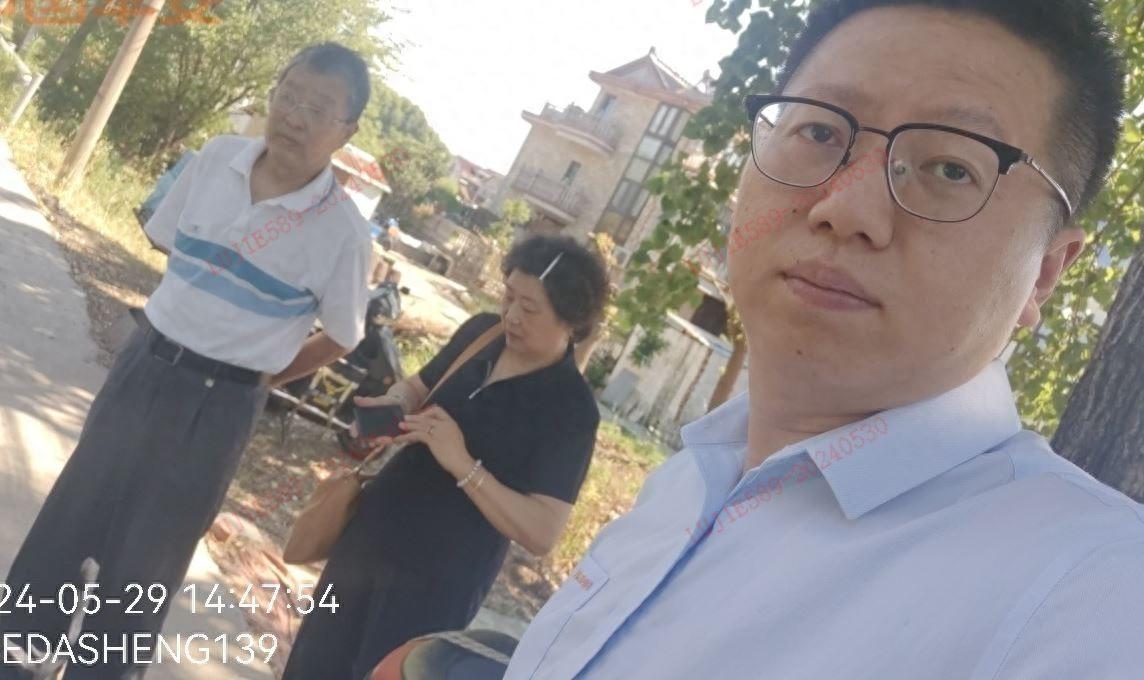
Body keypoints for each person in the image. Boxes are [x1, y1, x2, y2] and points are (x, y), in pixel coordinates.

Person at [504, 1, 1144, 678]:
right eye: (819, 130)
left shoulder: (1096, 601)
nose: (846, 209)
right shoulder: (692, 478)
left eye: (952, 169)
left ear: (1044, 273)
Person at [0, 42, 374, 679]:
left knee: (144, 567)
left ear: (347, 130)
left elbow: (341, 336)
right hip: (143, 367)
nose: (294, 116)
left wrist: (257, 375)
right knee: (68, 524)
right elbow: (175, 250)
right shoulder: (215, 160)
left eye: (318, 108)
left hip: (218, 411)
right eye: (288, 95)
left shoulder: (344, 235)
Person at [282, 235, 609, 680]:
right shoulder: (482, 333)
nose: (512, 315)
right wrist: (391, 405)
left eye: (530, 308)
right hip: (370, 536)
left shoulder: (571, 410)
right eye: (508, 296)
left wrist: (462, 462)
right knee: (312, 662)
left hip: (436, 582)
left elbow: (541, 531)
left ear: (570, 320)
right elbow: (419, 386)